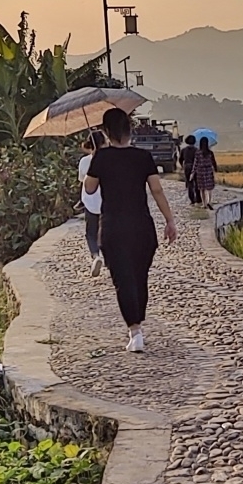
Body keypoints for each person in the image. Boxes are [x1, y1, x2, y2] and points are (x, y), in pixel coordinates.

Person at [83, 107, 178, 352]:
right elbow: (157, 190)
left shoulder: (101, 158)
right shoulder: (143, 157)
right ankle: (137, 325)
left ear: (105, 131)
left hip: (114, 227)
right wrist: (170, 221)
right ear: (130, 129)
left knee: (123, 280)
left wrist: (96, 158)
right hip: (141, 227)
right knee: (139, 277)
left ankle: (135, 331)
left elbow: (90, 189)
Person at [77, 129, 106, 273]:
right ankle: (109, 256)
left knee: (91, 232)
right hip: (107, 201)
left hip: (90, 201)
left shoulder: (84, 161)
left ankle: (96, 256)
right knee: (106, 230)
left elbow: (82, 180)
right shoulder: (109, 159)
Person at [192, 136, 217, 208]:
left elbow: (195, 163)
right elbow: (213, 162)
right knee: (209, 187)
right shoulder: (210, 153)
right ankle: (209, 201)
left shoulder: (198, 153)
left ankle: (204, 204)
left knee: (202, 188)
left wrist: (193, 172)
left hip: (200, 171)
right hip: (208, 170)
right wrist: (215, 169)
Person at [180, 134, 199, 204]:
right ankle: (198, 198)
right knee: (197, 183)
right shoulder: (197, 150)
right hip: (196, 167)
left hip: (187, 167)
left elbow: (180, 159)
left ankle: (192, 199)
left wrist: (182, 166)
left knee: (189, 183)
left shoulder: (184, 150)